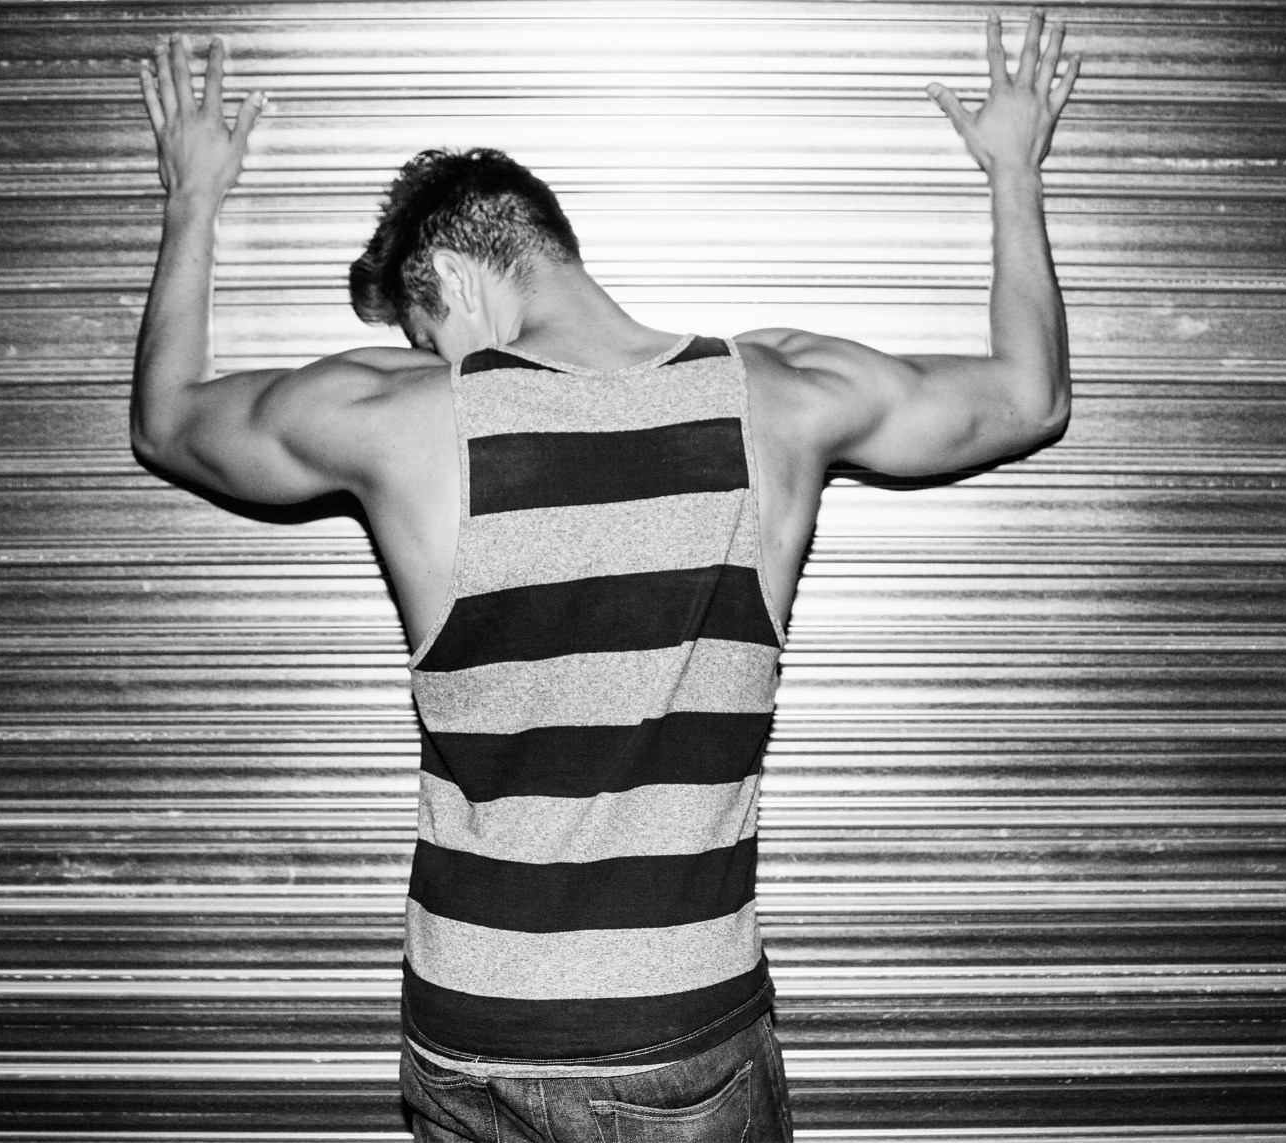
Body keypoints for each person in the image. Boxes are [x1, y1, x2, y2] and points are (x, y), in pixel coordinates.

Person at [133, 13, 1078, 1142]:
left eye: (428, 334)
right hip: (675, 1040)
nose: (437, 364)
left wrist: (194, 199)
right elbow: (1030, 397)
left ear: (454, 276)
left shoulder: (392, 418)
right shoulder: (774, 396)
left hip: (466, 1031)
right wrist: (1013, 171)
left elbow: (167, 423)